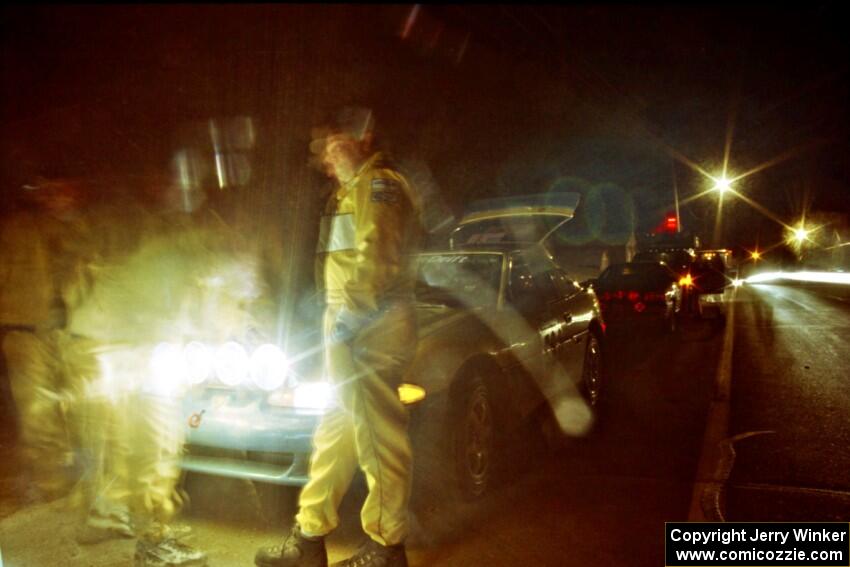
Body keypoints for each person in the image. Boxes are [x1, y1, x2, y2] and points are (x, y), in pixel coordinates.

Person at [255, 107, 422, 567]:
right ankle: (310, 538)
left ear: (363, 137)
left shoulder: (379, 185)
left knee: (376, 432)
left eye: (332, 143)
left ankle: (389, 548)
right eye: (320, 148)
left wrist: (351, 316)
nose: (324, 156)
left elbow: (378, 256)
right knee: (337, 430)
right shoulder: (350, 192)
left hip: (370, 326)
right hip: (351, 325)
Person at [0, 177, 95, 504]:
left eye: (62, 188)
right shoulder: (16, 231)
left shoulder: (87, 228)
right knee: (38, 413)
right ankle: (52, 484)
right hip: (27, 333)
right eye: (48, 190)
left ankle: (91, 476)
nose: (56, 196)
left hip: (78, 332)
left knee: (88, 404)